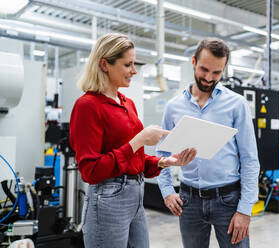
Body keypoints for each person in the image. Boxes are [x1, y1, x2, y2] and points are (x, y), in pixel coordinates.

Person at [69, 33, 196, 248]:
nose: (134, 71)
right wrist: (139, 140)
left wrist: (165, 162)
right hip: (108, 198)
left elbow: (134, 159)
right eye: (127, 64)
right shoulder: (87, 105)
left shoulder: (127, 103)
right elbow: (91, 171)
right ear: (104, 64)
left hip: (136, 194)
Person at [157, 38, 260, 248]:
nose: (209, 77)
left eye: (217, 73)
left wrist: (244, 210)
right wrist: (167, 191)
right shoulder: (173, 107)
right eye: (204, 69)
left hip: (229, 201)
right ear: (193, 61)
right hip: (189, 201)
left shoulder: (237, 104)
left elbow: (250, 159)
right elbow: (161, 153)